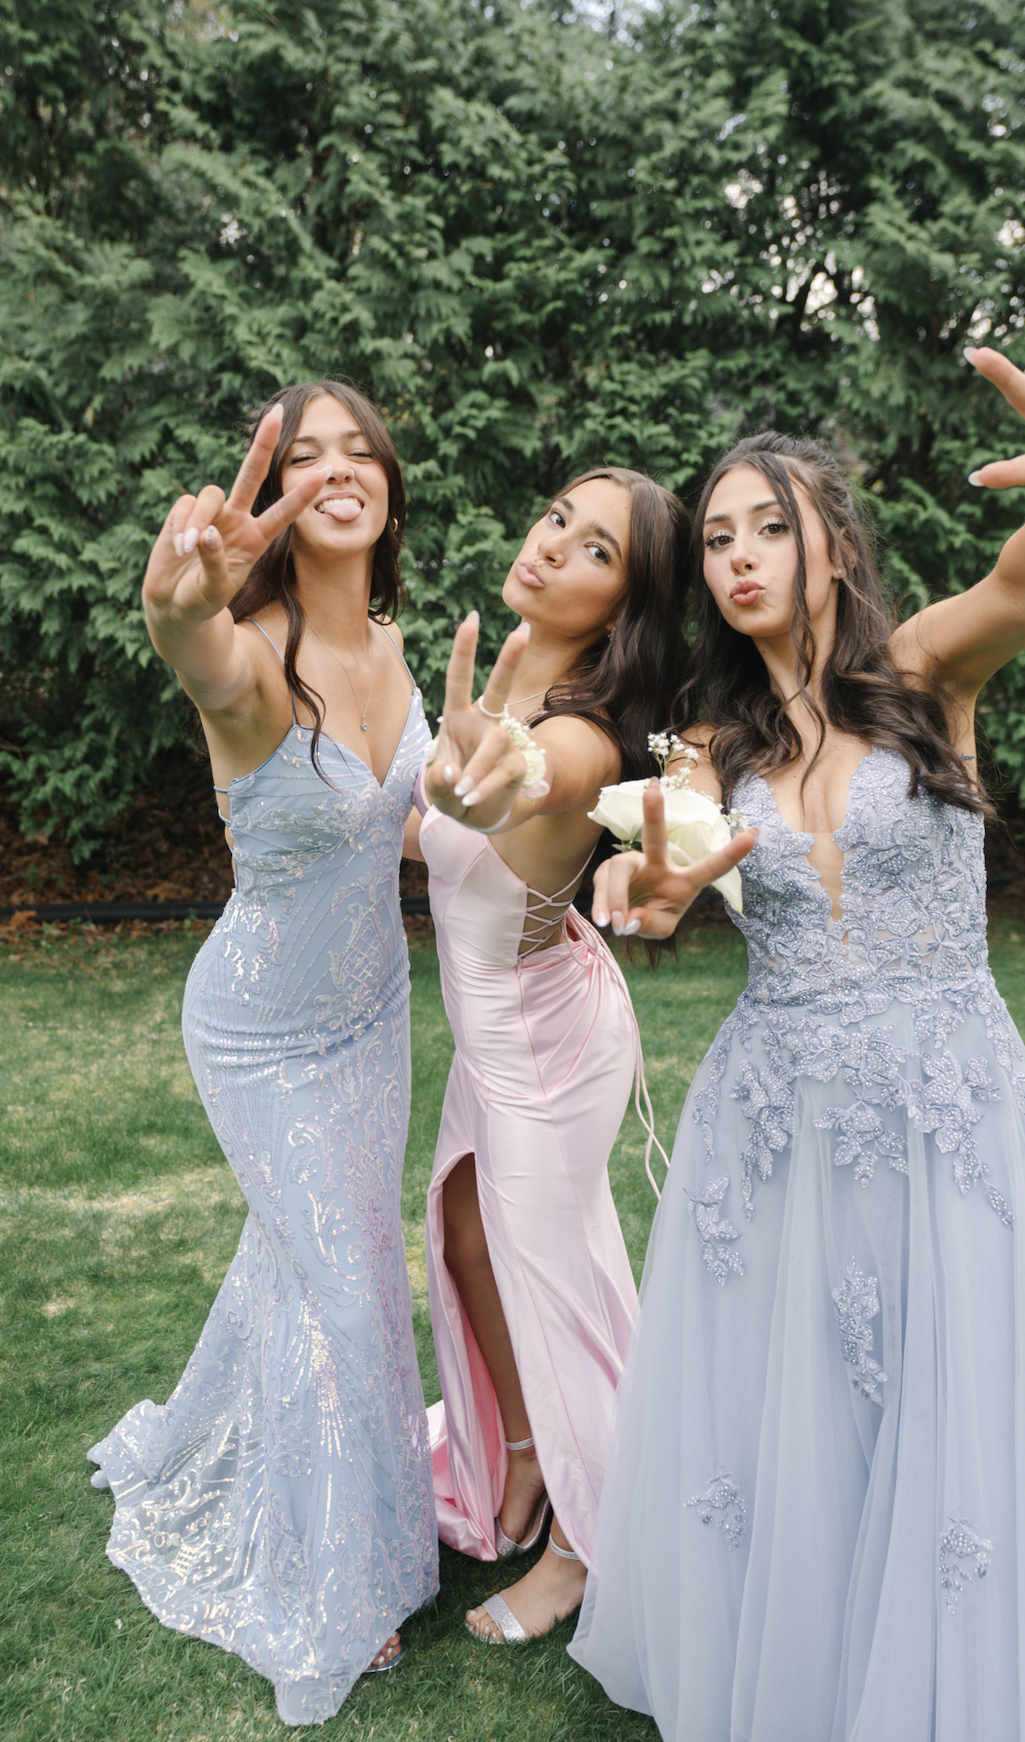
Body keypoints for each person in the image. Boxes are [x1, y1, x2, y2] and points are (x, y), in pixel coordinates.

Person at [564, 349, 1025, 1739]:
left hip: (946, 1101)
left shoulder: (925, 668)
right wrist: (641, 890)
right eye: (715, 536)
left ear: (832, 538)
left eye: (769, 523)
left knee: (949, 1392)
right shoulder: (711, 741)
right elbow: (669, 870)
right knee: (805, 1415)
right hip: (780, 1119)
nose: (739, 555)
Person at [87, 382, 439, 1726]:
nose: (338, 469)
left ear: (389, 487)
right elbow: (192, 644)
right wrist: (180, 599)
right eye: (308, 456)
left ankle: (305, 1488)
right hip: (259, 1027)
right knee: (353, 1294)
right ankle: (339, 1580)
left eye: (361, 450)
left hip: (373, 1015)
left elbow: (407, 817)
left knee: (311, 1266)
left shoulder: (401, 643)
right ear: (279, 498)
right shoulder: (250, 648)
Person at [417, 468, 690, 1644]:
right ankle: (525, 1456)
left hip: (542, 1041)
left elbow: (557, 772)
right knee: (466, 1234)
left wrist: (509, 774)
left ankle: (589, 1543)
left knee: (558, 1278)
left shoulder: (581, 716)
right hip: (505, 1013)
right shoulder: (501, 665)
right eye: (555, 520)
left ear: (624, 603)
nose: (552, 547)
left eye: (595, 551)